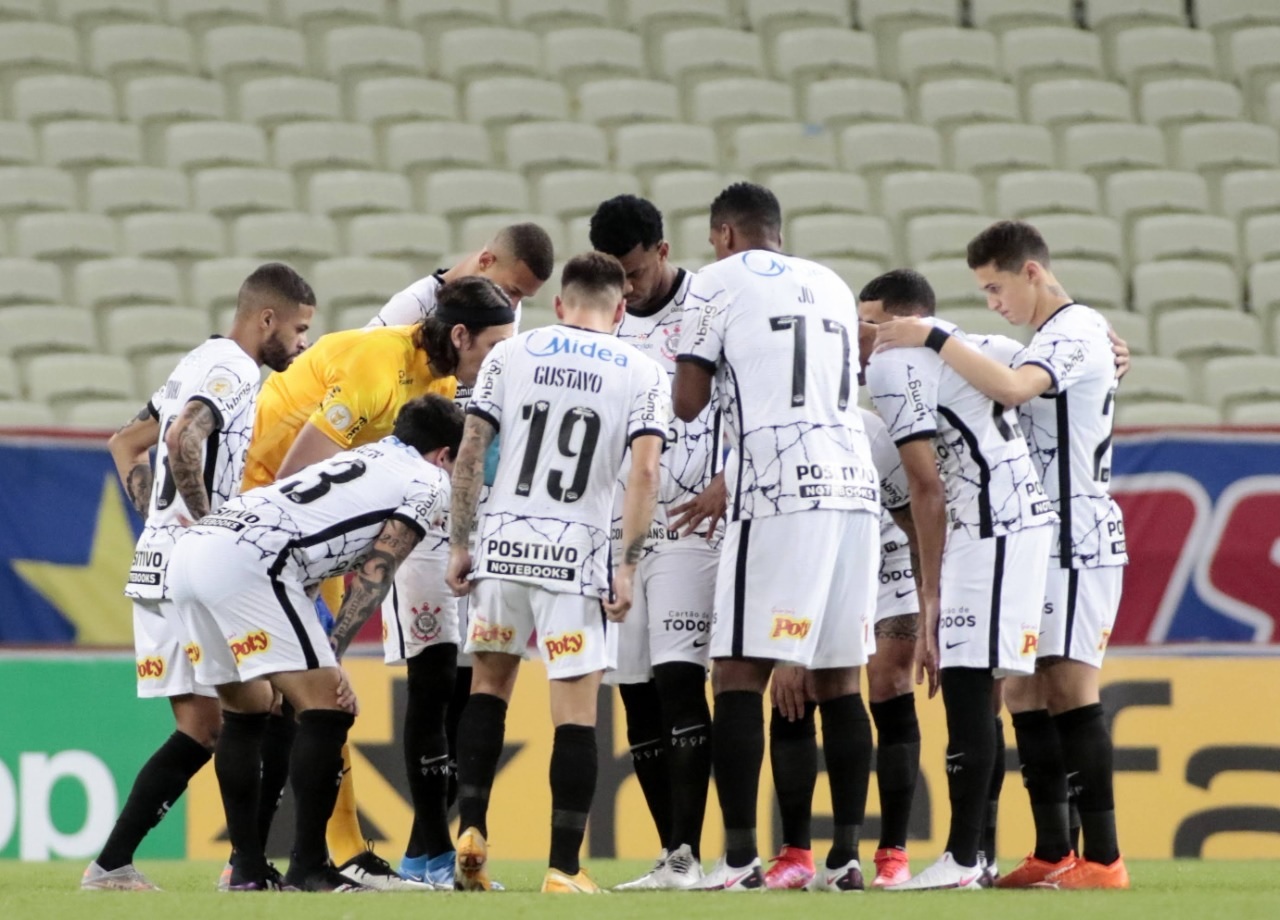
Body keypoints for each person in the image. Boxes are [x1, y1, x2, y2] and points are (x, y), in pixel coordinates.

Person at [872, 221, 1130, 890]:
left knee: (1068, 684)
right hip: (1035, 530)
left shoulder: (1072, 331)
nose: (993, 302)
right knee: (1020, 688)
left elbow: (1014, 391)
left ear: (1033, 273)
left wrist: (932, 335)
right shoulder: (1045, 340)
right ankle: (1052, 849)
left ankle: (1102, 857)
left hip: (1075, 529)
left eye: (996, 287)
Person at [238, 276, 515, 890]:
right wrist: (308, 604)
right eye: (495, 348)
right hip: (267, 521)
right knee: (284, 700)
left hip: (310, 540)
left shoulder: (442, 382)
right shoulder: (376, 361)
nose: (501, 363)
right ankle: (264, 859)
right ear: (461, 335)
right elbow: (293, 476)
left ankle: (297, 856)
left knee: (296, 703)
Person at [673, 183, 881, 892]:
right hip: (853, 481)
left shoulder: (714, 283)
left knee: (735, 671)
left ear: (725, 233)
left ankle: (736, 861)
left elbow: (688, 401)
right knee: (838, 678)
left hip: (778, 486)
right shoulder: (831, 283)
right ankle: (846, 856)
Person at [82, 264, 314, 891]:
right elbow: (184, 437)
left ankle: (113, 865)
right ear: (266, 318)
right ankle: (246, 869)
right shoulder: (233, 370)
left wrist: (160, 520)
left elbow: (125, 443)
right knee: (267, 705)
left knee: (209, 725)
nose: (301, 344)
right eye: (297, 329)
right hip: (194, 565)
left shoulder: (195, 361)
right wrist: (210, 529)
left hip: (158, 564)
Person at [166, 396, 459, 892]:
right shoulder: (430, 481)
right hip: (251, 561)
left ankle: (247, 872)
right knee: (329, 707)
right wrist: (334, 654)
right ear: (444, 454)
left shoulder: (364, 455)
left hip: (196, 550)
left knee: (246, 712)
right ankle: (308, 866)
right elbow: (379, 565)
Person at [445, 252, 670, 894]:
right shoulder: (642, 371)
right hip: (574, 559)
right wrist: (626, 567)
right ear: (621, 309)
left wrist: (463, 542)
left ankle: (473, 829)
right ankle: (563, 867)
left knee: (488, 690)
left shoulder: (511, 354)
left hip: (504, 548)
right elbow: (646, 474)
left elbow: (469, 452)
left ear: (559, 305)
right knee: (574, 715)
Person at [364, 223, 554, 889]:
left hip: (483, 534)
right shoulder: (414, 341)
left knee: (470, 693)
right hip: (423, 531)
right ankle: (431, 850)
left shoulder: (507, 354)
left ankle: (428, 851)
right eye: (496, 343)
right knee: (432, 680)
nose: (507, 352)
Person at [860, 268, 1056, 891]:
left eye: (868, 323)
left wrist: (931, 593)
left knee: (969, 687)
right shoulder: (978, 347)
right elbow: (1050, 382)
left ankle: (962, 860)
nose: (858, 337)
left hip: (989, 528)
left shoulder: (893, 365)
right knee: (983, 693)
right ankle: (980, 855)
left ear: (898, 323)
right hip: (1013, 525)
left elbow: (926, 486)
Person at [588, 195, 722, 891]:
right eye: (616, 276)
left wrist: (731, 477)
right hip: (617, 530)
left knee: (678, 680)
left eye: (636, 272)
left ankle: (690, 852)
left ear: (663, 253)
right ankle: (674, 855)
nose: (628, 288)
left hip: (691, 523)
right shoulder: (602, 325)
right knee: (635, 690)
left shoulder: (708, 307)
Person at [765, 400, 924, 890]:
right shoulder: (769, 428)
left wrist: (932, 602)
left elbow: (912, 512)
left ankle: (890, 852)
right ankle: (796, 853)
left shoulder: (871, 429)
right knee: (798, 685)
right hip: (814, 557)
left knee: (889, 682)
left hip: (886, 551)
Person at [368, 222, 555, 333]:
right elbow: (355, 363)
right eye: (513, 291)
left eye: (522, 297)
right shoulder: (415, 305)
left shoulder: (508, 309)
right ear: (486, 261)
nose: (513, 305)